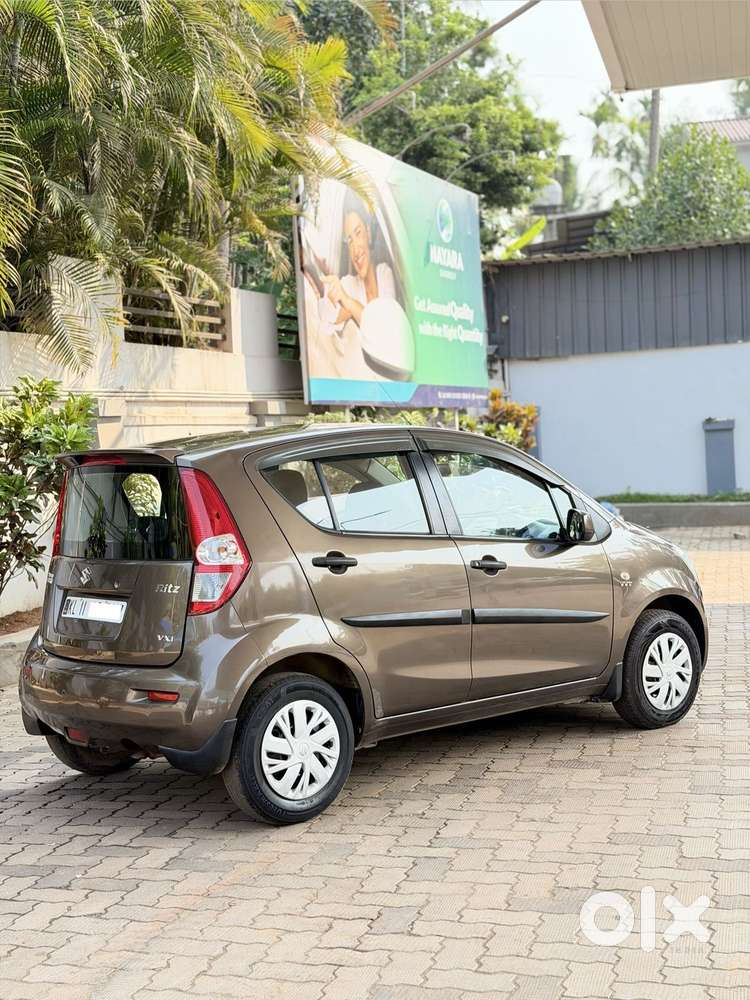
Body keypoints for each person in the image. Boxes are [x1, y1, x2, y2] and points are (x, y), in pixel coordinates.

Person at [321, 192, 396, 329]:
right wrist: (342, 307)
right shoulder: (349, 284)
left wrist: (350, 303)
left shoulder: (384, 273)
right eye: (349, 240)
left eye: (358, 233)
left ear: (368, 233)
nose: (355, 250)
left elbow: (385, 328)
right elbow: (326, 319)